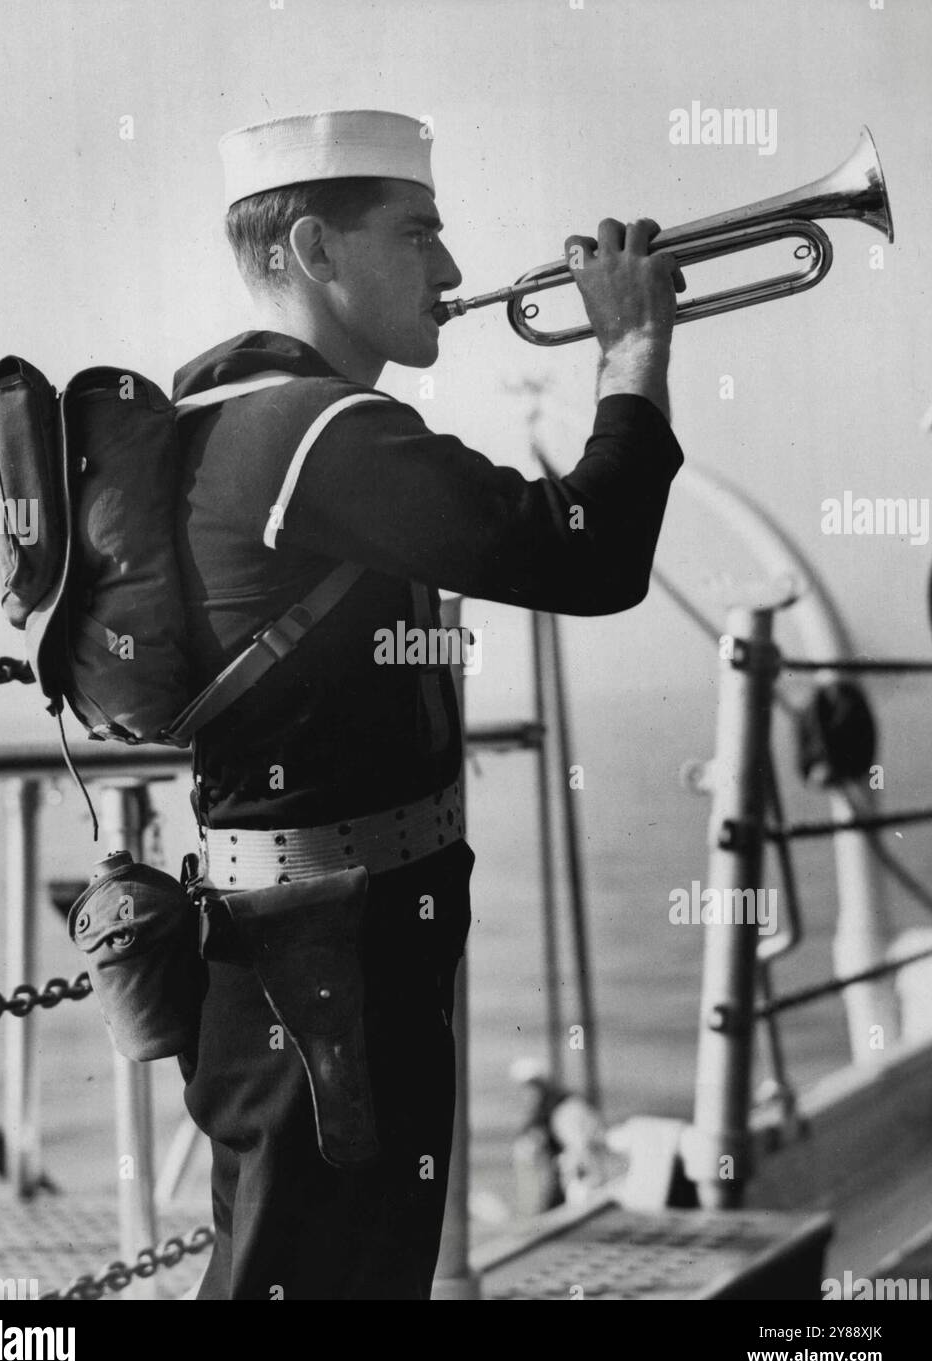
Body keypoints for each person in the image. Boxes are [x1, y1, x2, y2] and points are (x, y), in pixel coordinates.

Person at [172, 109, 684, 1300]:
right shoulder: (319, 436)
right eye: (420, 236)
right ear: (315, 247)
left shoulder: (227, 413)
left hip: (307, 948)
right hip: (331, 966)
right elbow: (593, 556)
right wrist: (633, 351)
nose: (454, 271)